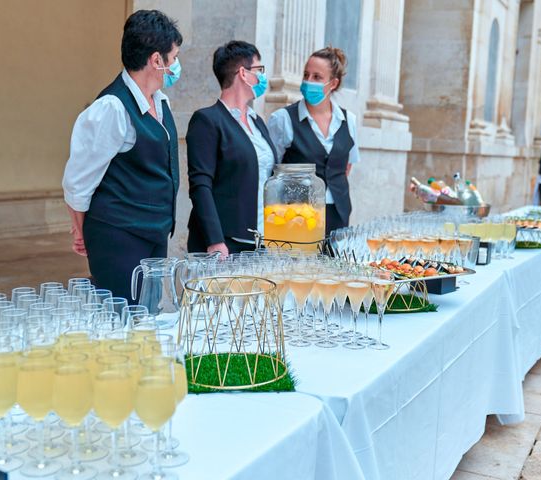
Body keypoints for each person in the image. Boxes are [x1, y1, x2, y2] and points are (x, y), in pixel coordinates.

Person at [62, 10, 183, 301]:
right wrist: (81, 232)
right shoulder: (112, 108)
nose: (177, 65)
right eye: (174, 57)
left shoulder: (160, 102)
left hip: (154, 233)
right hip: (119, 236)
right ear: (157, 60)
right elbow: (77, 183)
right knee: (123, 321)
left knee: (147, 316)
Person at [186, 41, 277, 257]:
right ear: (243, 74)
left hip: (261, 242)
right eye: (259, 70)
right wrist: (215, 240)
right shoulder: (207, 120)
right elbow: (200, 185)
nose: (262, 78)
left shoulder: (258, 122)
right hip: (226, 244)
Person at [268, 47, 360, 235]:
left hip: (338, 212)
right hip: (294, 215)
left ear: (333, 83)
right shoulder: (283, 119)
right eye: (306, 74)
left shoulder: (348, 120)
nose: (308, 81)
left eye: (317, 77)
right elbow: (271, 169)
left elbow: (346, 166)